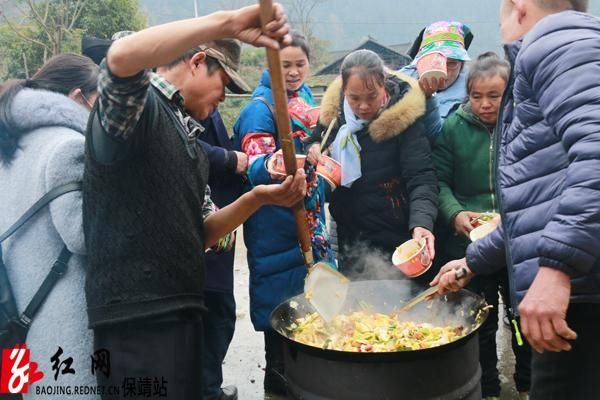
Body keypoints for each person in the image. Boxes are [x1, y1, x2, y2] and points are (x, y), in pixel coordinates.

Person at [82, 6, 306, 399]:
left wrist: (258, 197)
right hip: (137, 317)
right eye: (223, 84)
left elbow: (202, 232)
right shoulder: (139, 111)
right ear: (198, 61)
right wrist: (230, 22)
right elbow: (119, 59)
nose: (223, 98)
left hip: (181, 308)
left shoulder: (187, 136)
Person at [433, 1, 599, 399]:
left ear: (518, 7)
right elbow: (541, 202)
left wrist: (557, 269)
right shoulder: (568, 46)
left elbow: (596, 154)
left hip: (580, 295)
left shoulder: (558, 45)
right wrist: (473, 261)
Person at [233, 31, 333, 395]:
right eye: (284, 65)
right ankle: (277, 380)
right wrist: (276, 164)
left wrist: (319, 151)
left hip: (309, 217)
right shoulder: (260, 108)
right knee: (280, 304)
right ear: (268, 65)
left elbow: (316, 136)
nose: (293, 72)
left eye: (299, 64)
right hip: (276, 222)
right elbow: (253, 164)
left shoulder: (304, 97)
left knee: (312, 299)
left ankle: (311, 378)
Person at [432, 52, 530, 400]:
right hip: (469, 247)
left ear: (511, 94)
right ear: (467, 94)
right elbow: (438, 182)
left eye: (494, 96)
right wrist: (455, 213)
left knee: (521, 319)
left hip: (517, 243)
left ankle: (526, 382)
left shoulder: (524, 126)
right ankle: (487, 387)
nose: (485, 105)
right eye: (476, 96)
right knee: (481, 322)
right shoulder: (453, 128)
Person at [0, 54, 99, 398]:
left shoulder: (14, 145)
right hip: (62, 323)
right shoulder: (67, 146)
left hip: (19, 315)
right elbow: (84, 237)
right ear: (76, 97)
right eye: (98, 99)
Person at [307, 49, 438, 277]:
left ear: (384, 86)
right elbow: (316, 140)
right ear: (344, 91)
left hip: (396, 236)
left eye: (372, 96)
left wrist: (422, 224)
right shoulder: (335, 116)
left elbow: (422, 177)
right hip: (351, 236)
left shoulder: (404, 119)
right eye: (354, 98)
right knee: (360, 310)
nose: (363, 106)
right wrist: (313, 148)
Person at [198, 110, 247, 400]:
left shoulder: (206, 109)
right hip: (205, 233)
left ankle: (209, 388)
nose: (221, 96)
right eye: (219, 86)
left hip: (220, 229)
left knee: (220, 315)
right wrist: (231, 160)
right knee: (214, 315)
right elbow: (188, 149)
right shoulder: (165, 109)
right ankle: (207, 391)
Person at [401, 21, 473, 143]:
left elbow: (440, 138)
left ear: (461, 65)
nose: (444, 70)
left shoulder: (473, 93)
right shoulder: (398, 82)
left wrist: (429, 98)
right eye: (435, 62)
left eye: (452, 64)